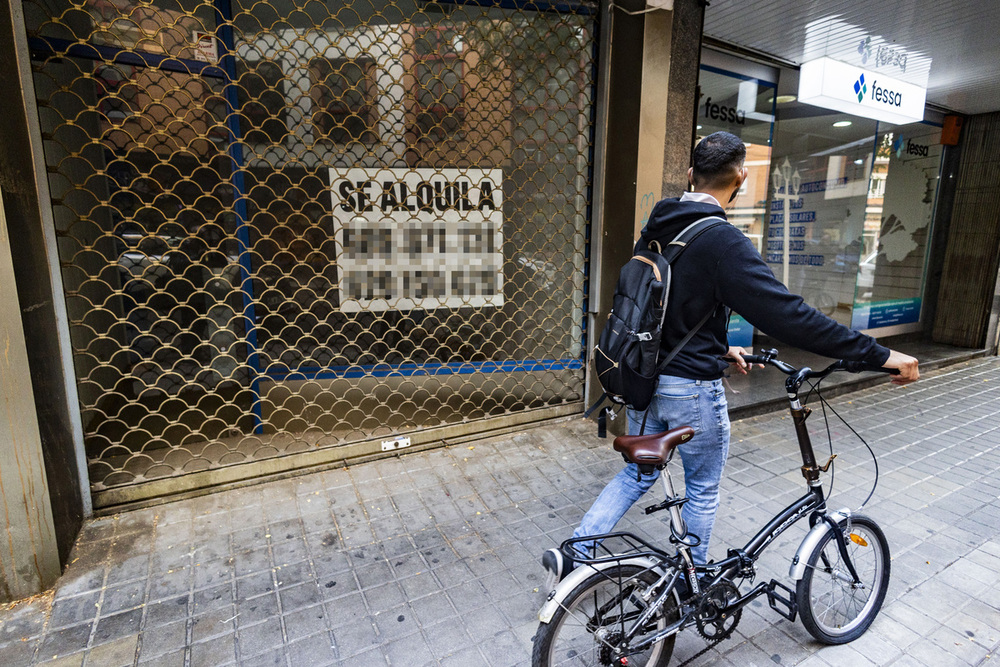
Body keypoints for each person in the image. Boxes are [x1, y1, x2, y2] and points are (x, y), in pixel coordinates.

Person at [543, 131, 919, 582]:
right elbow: (788, 316)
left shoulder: (658, 225)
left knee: (637, 474)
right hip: (690, 391)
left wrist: (721, 347)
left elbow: (666, 310)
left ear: (689, 175)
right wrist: (880, 355)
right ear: (741, 176)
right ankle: (691, 583)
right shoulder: (723, 241)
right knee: (701, 489)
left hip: (643, 377)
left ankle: (575, 553)